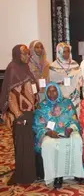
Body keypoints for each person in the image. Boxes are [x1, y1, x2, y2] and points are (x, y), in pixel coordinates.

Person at [33, 82, 84, 188]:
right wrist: (48, 132)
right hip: (51, 133)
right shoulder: (42, 106)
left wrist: (70, 128)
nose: (52, 93)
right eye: (49, 91)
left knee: (77, 140)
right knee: (48, 144)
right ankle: (56, 176)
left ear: (58, 91)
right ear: (46, 93)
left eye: (54, 90)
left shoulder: (67, 103)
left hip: (67, 131)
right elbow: (37, 125)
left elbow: (74, 119)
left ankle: (76, 173)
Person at [0, 44, 38, 184]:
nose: (28, 56)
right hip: (21, 115)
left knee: (29, 144)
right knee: (22, 145)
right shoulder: (13, 68)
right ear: (17, 54)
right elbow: (11, 95)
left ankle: (30, 173)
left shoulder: (25, 67)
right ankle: (24, 176)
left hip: (29, 112)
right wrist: (18, 115)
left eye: (28, 53)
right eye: (25, 53)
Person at [49, 42, 83, 112]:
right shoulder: (53, 66)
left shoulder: (75, 64)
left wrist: (76, 88)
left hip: (74, 95)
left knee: (75, 114)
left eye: (68, 51)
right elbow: (52, 82)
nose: (66, 54)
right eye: (64, 52)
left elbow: (80, 78)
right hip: (60, 95)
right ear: (59, 52)